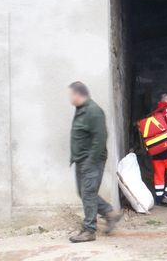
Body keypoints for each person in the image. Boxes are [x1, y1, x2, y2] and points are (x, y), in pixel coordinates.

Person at [68, 81, 121, 243]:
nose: (70, 98)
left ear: (78, 94)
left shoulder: (93, 111)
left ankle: (89, 230)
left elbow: (100, 138)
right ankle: (110, 213)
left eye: (71, 95)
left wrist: (91, 160)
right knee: (83, 193)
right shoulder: (81, 110)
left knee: (88, 194)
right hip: (81, 160)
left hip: (91, 161)